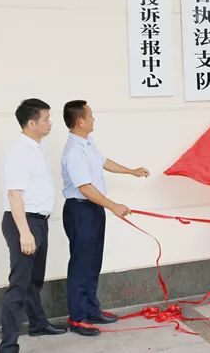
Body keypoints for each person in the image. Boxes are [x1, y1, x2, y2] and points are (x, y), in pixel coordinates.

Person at [61, 100, 150, 336]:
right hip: (80, 210)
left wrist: (131, 171)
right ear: (80, 121)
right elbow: (85, 188)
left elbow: (104, 162)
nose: (93, 119)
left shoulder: (87, 143)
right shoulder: (73, 151)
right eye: (90, 115)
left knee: (92, 262)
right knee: (81, 265)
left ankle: (91, 310)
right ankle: (77, 318)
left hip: (92, 209)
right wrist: (113, 206)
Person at [0, 99, 66, 353]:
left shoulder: (38, 148)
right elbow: (14, 194)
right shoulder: (19, 151)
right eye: (46, 118)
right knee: (18, 285)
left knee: (33, 281)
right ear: (31, 123)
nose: (50, 123)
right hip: (23, 223)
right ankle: (8, 347)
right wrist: (25, 232)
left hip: (38, 221)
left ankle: (38, 323)